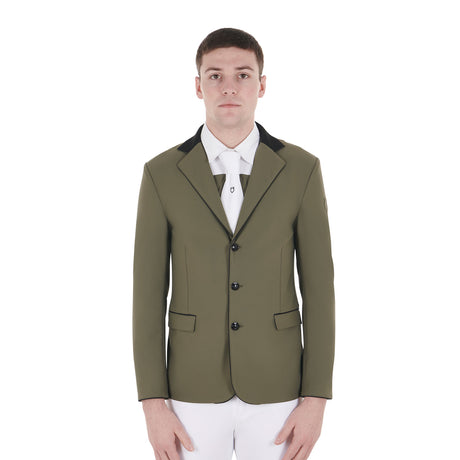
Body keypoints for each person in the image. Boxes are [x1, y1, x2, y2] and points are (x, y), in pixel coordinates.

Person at [132, 27, 335, 460]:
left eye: (243, 75)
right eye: (215, 76)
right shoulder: (161, 174)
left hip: (279, 387)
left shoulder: (301, 169)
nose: (229, 87)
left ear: (261, 85)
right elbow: (147, 295)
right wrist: (153, 403)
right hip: (190, 389)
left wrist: (316, 398)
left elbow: (319, 291)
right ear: (198, 86)